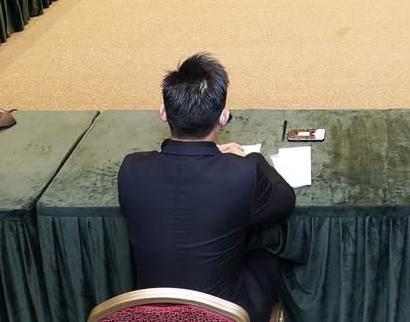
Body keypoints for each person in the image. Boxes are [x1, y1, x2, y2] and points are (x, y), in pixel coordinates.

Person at [118, 53, 295, 322]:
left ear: (164, 113)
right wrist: (253, 159)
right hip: (226, 314)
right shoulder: (243, 174)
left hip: (151, 313)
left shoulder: (131, 169)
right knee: (269, 252)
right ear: (223, 117)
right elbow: (285, 200)